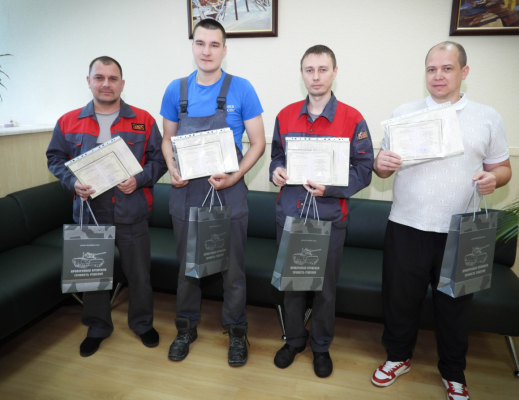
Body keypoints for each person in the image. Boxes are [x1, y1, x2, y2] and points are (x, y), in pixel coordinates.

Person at [371, 42, 511, 400]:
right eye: (432, 69)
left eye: (447, 68)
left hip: (460, 231)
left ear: (464, 72)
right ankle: (398, 357)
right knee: (400, 301)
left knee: (455, 307)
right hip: (407, 225)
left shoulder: (487, 117)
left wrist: (494, 179)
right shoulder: (404, 113)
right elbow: (383, 169)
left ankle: (453, 372)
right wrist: (379, 165)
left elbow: (502, 168)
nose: (438, 75)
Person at [160, 19, 265, 367]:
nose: (207, 51)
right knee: (188, 267)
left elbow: (258, 142)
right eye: (200, 43)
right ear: (193, 46)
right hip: (186, 192)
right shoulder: (176, 90)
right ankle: (185, 328)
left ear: (224, 49)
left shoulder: (242, 89)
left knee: (232, 270)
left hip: (228, 193)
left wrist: (235, 177)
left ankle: (236, 331)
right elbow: (167, 139)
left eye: (214, 44)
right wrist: (172, 167)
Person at [47, 56, 167, 357]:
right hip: (90, 212)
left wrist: (139, 179)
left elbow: (159, 160)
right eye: (99, 77)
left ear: (122, 84)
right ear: (88, 81)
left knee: (139, 275)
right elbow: (55, 159)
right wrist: (72, 182)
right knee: (93, 274)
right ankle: (97, 328)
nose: (106, 84)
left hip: (131, 210)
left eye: (113, 78)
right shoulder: (68, 121)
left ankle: (142, 324)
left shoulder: (143, 119)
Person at [269, 45, 374, 378]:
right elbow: (276, 155)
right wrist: (276, 170)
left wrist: (330, 188)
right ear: (302, 74)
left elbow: (364, 170)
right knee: (292, 285)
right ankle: (294, 340)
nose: (316, 76)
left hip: (329, 218)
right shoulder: (285, 115)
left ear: (334, 72)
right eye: (309, 70)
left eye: (323, 69)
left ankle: (321, 346)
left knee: (324, 290)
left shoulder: (352, 118)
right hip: (291, 214)